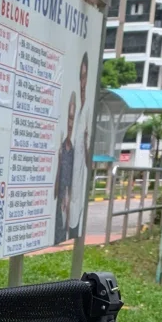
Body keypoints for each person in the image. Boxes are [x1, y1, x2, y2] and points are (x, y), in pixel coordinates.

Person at [68, 53, 90, 241]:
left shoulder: (88, 109)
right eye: (80, 76)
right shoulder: (76, 110)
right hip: (70, 190)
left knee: (76, 226)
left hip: (80, 186)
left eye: (85, 76)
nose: (83, 81)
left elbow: (89, 159)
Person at [54, 93, 76, 245]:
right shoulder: (61, 149)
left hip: (67, 206)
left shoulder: (74, 151)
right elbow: (55, 191)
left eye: (72, 118)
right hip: (58, 207)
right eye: (69, 117)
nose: (70, 122)